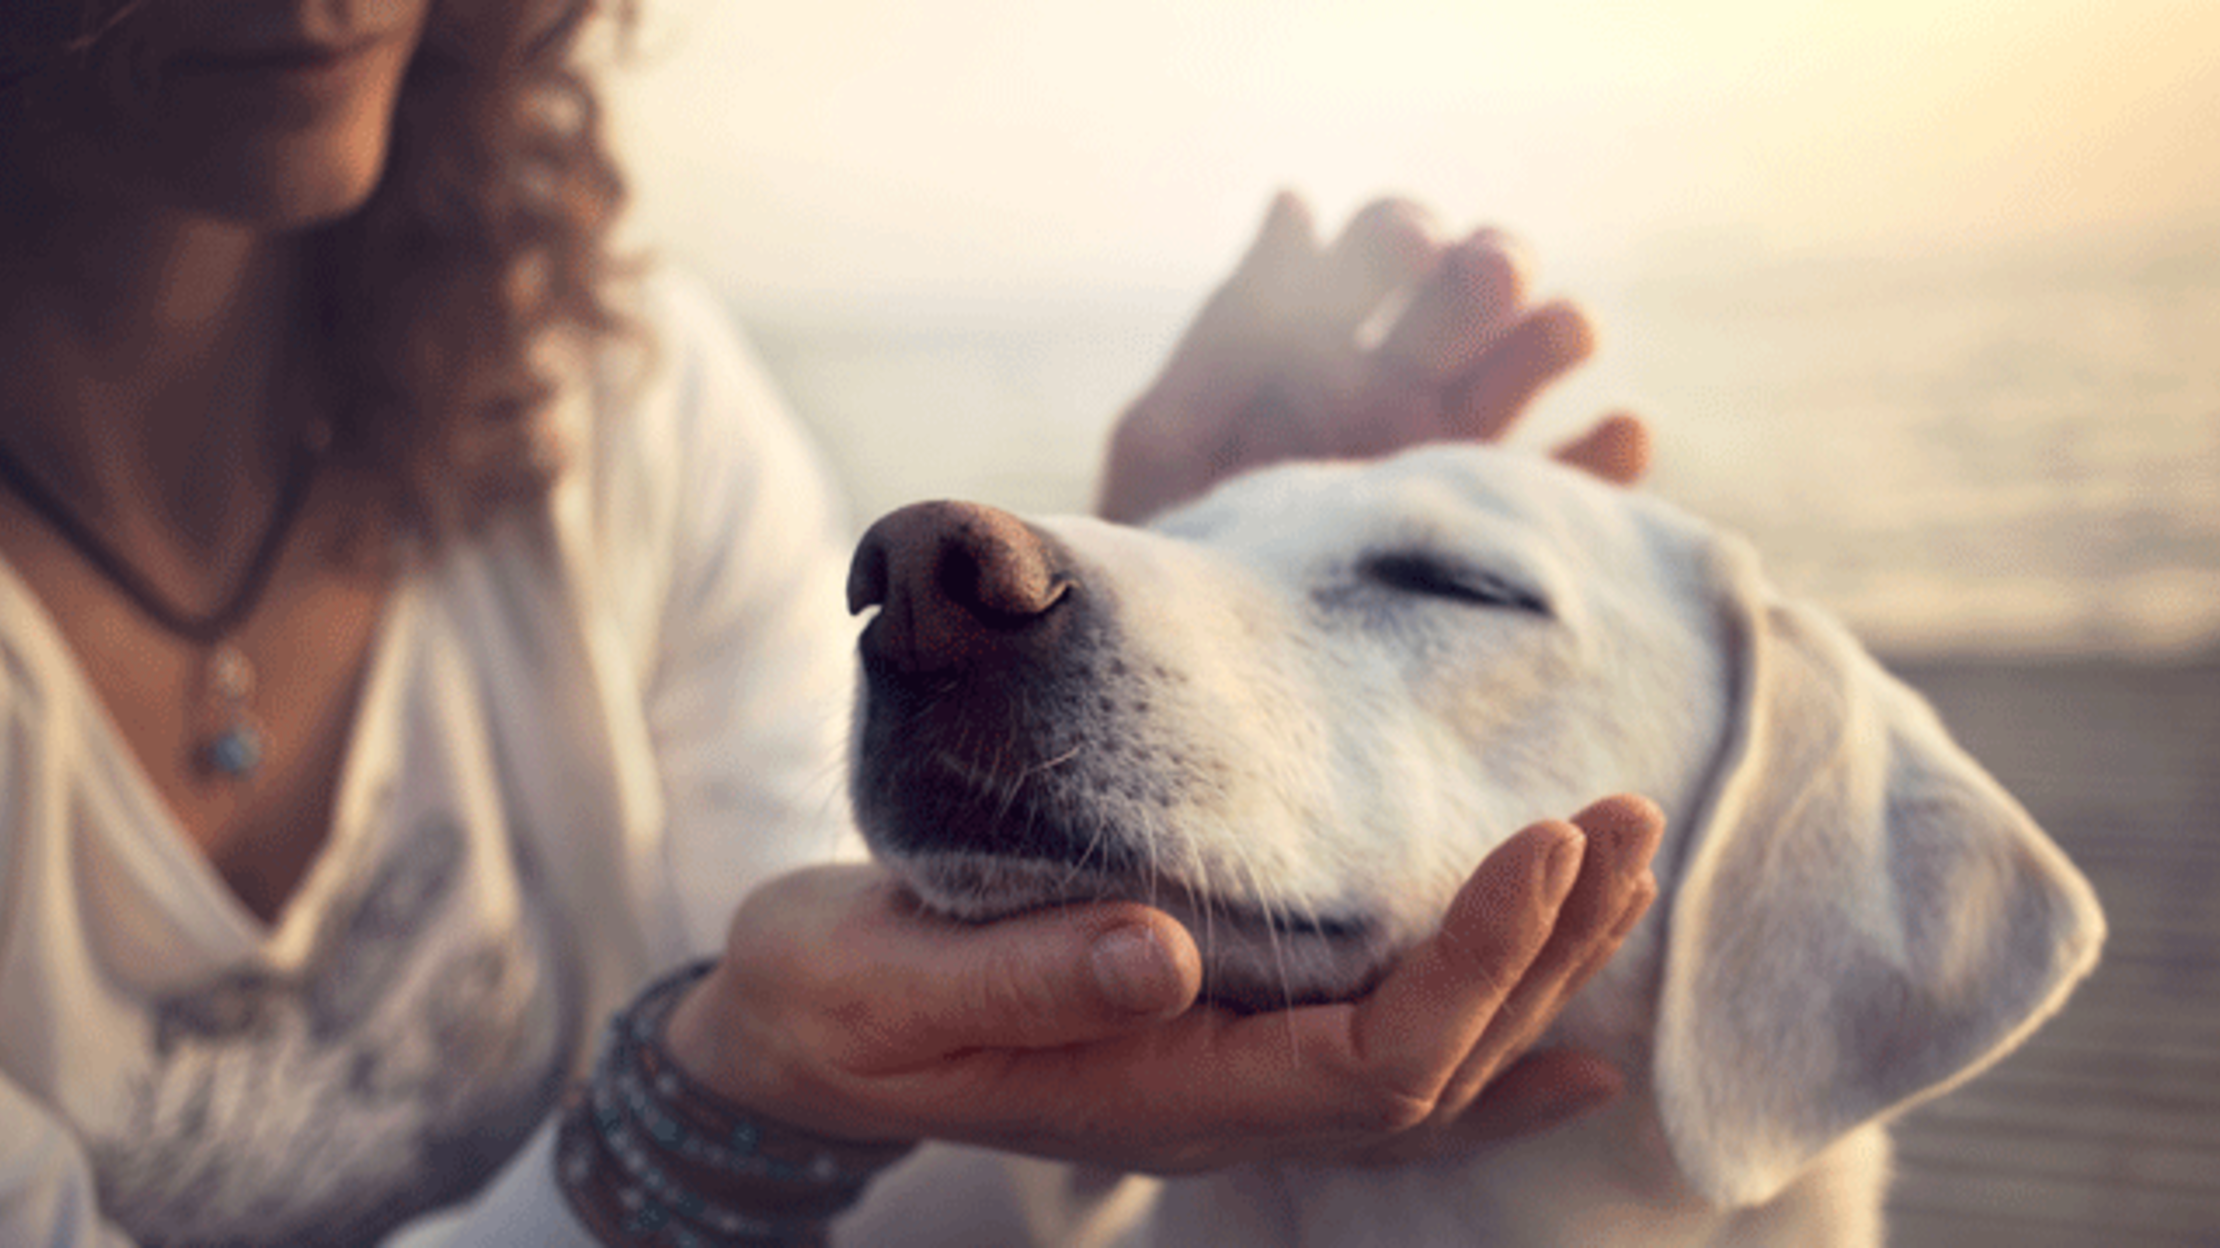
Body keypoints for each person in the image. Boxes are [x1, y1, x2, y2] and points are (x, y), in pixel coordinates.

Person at [0, 1, 1662, 1244]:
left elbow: (908, 1190)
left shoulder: (597, 392)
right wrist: (706, 1104)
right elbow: (789, 1081)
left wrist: (1181, 658)